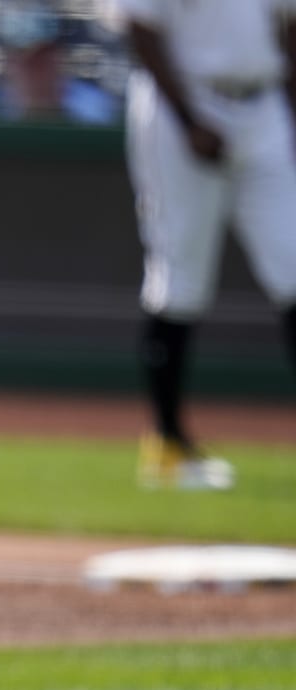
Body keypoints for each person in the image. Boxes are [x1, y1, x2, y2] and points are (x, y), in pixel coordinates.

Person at [115, 0, 296, 490]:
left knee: (294, 269)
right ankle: (168, 446)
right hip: (187, 106)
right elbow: (138, 27)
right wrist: (189, 119)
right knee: (180, 277)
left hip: (265, 107)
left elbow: (287, 28)